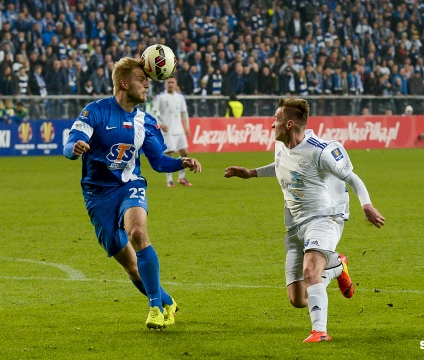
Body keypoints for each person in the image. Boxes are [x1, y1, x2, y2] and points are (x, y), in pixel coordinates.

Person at [224, 98, 385, 342]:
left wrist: (367, 204)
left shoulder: (320, 150)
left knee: (311, 272)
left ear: (289, 124)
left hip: (324, 218)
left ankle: (320, 332)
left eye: (276, 120)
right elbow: (282, 165)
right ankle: (337, 266)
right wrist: (251, 173)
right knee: (298, 299)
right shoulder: (281, 145)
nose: (271, 125)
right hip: (294, 225)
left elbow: (353, 178)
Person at [63, 57, 202, 329]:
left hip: (130, 185)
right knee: (132, 268)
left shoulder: (146, 122)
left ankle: (154, 309)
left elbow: (159, 162)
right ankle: (167, 301)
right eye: (142, 80)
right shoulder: (96, 111)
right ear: (124, 84)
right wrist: (75, 147)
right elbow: (70, 143)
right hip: (98, 195)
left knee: (137, 233)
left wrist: (181, 162)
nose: (147, 85)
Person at [151, 77, 193, 187]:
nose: (170, 84)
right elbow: (153, 113)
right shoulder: (160, 97)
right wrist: (160, 124)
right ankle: (169, 180)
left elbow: (184, 113)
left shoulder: (180, 98)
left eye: (172, 82)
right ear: (165, 84)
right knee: (169, 156)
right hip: (167, 131)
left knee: (185, 153)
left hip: (179, 130)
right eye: (168, 82)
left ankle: (181, 177)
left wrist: (187, 127)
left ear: (176, 84)